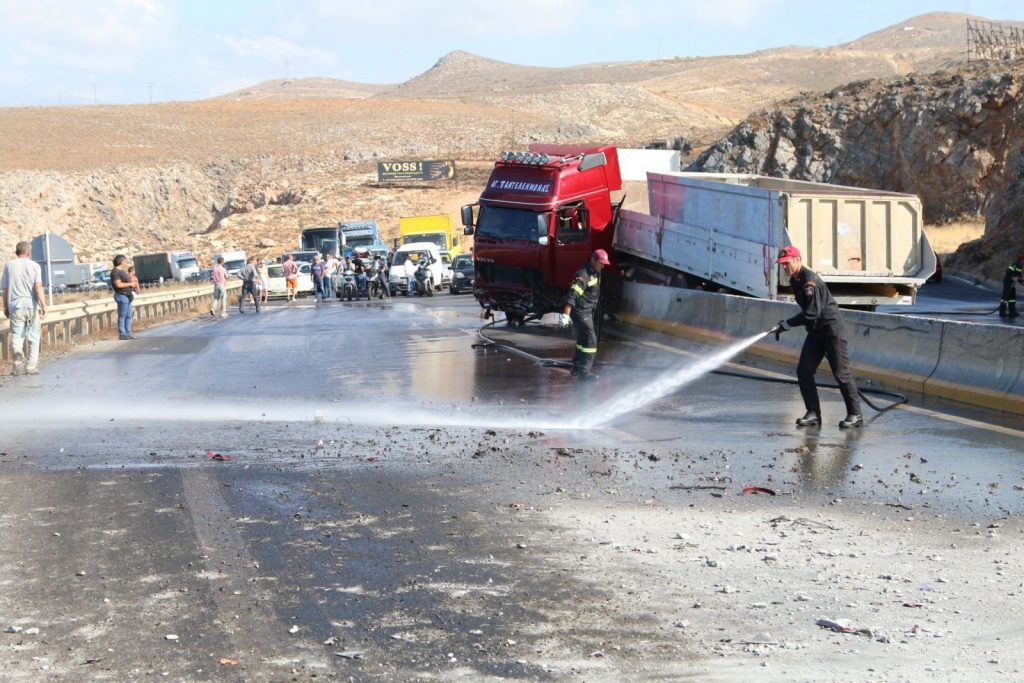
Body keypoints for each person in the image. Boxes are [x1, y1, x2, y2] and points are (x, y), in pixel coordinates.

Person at [770, 246, 863, 428]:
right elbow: (808, 312)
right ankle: (813, 413)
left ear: (798, 260)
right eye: (782, 264)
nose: (785, 267)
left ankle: (855, 414)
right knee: (804, 371)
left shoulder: (809, 281)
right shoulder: (795, 280)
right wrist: (785, 324)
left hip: (831, 331)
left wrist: (787, 324)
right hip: (815, 332)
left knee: (841, 374)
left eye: (787, 263)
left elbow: (812, 312)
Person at [558, 248, 610, 380]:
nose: (603, 266)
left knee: (582, 340)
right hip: (581, 312)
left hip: (586, 310)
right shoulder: (584, 275)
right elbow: (572, 295)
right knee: (591, 341)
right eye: (601, 263)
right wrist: (565, 316)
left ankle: (576, 367)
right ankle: (584, 372)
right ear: (593, 260)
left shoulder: (595, 271)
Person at [2, 241, 47, 375]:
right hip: (31, 306)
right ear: (29, 252)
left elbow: (5, 289)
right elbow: (38, 288)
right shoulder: (35, 266)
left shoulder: (8, 266)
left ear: (16, 252)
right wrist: (43, 306)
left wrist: (5, 307)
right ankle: (31, 367)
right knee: (34, 336)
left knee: (17, 335)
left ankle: (17, 359)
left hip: (15, 306)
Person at [110, 254, 137, 340]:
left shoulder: (122, 271)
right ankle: (122, 333)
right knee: (122, 315)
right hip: (121, 295)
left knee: (129, 315)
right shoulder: (115, 272)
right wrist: (130, 284)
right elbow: (118, 284)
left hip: (127, 296)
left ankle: (128, 333)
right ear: (121, 262)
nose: (126, 263)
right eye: (125, 261)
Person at [999, 253, 1024, 318]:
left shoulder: (1020, 265)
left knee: (1012, 298)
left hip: (1012, 283)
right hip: (1007, 283)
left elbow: (1018, 274)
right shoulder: (1015, 264)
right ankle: (1002, 312)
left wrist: (1022, 282)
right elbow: (1009, 273)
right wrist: (1015, 278)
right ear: (1021, 259)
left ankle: (1012, 312)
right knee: (1005, 297)